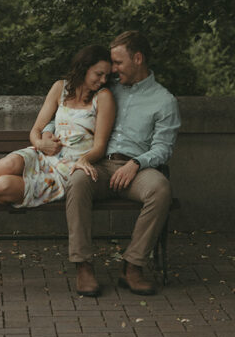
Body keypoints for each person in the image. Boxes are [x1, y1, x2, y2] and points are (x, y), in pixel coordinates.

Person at [63, 30, 180, 297]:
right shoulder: (106, 89)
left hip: (137, 169)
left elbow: (163, 148)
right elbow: (70, 107)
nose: (112, 69)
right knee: (78, 181)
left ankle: (132, 266)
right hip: (100, 165)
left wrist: (137, 163)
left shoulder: (164, 101)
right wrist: (46, 130)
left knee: (161, 189)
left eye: (118, 63)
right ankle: (83, 266)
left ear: (137, 58)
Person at [0, 45, 116, 207]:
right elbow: (35, 130)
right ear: (84, 68)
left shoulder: (103, 97)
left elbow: (99, 147)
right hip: (43, 156)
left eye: (107, 76)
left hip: (67, 171)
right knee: (12, 162)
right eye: (98, 74)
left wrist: (84, 159)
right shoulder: (60, 88)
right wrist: (41, 143)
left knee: (0, 187)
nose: (103, 80)